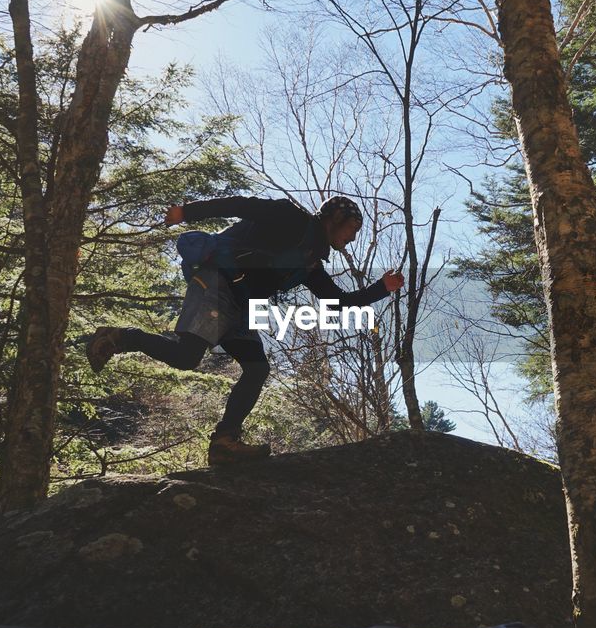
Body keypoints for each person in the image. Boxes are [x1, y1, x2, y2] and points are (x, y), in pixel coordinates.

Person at [85, 194, 404, 465]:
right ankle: (119, 337)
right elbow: (242, 205)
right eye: (352, 228)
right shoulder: (290, 218)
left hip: (239, 305)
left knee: (256, 368)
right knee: (186, 357)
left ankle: (224, 442)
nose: (353, 237)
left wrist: (382, 288)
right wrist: (187, 211)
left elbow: (336, 302)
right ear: (335, 218)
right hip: (216, 282)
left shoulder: (310, 264)